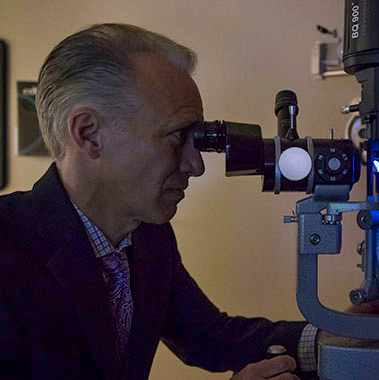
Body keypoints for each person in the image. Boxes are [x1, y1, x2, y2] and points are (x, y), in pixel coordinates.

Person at [0, 23, 319, 380]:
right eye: (177, 136)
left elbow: (211, 337)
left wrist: (333, 337)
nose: (195, 166)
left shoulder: (149, 235)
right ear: (89, 133)